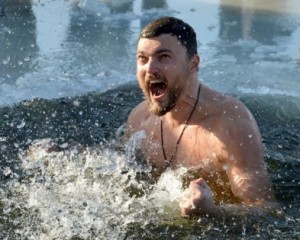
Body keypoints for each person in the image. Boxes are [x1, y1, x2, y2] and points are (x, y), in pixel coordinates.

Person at [124, 16, 278, 217]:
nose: (150, 69)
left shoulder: (230, 124)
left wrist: (213, 212)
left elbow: (268, 211)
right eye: (142, 59)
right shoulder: (140, 119)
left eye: (164, 57)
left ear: (193, 64)